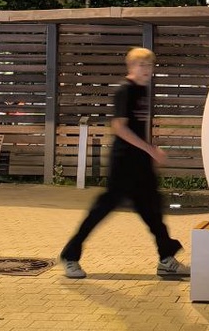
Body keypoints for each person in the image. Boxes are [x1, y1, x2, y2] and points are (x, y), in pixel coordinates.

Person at [59, 47, 189, 280]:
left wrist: (149, 156)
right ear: (131, 67)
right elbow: (119, 127)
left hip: (140, 163)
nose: (146, 69)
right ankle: (70, 256)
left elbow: (137, 129)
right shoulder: (124, 90)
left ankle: (166, 259)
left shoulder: (142, 90)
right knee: (101, 210)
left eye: (149, 65)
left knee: (153, 212)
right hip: (123, 163)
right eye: (142, 65)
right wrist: (150, 149)